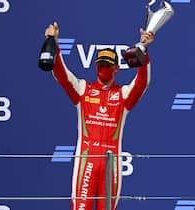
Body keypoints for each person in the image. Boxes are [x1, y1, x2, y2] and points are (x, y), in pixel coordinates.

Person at [44, 22, 154, 210]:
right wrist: (53, 43)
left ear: (116, 68)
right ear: (95, 66)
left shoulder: (123, 95)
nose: (104, 68)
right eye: (101, 64)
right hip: (86, 160)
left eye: (108, 65)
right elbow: (61, 74)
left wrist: (143, 50)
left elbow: (142, 84)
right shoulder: (82, 89)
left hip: (111, 163)